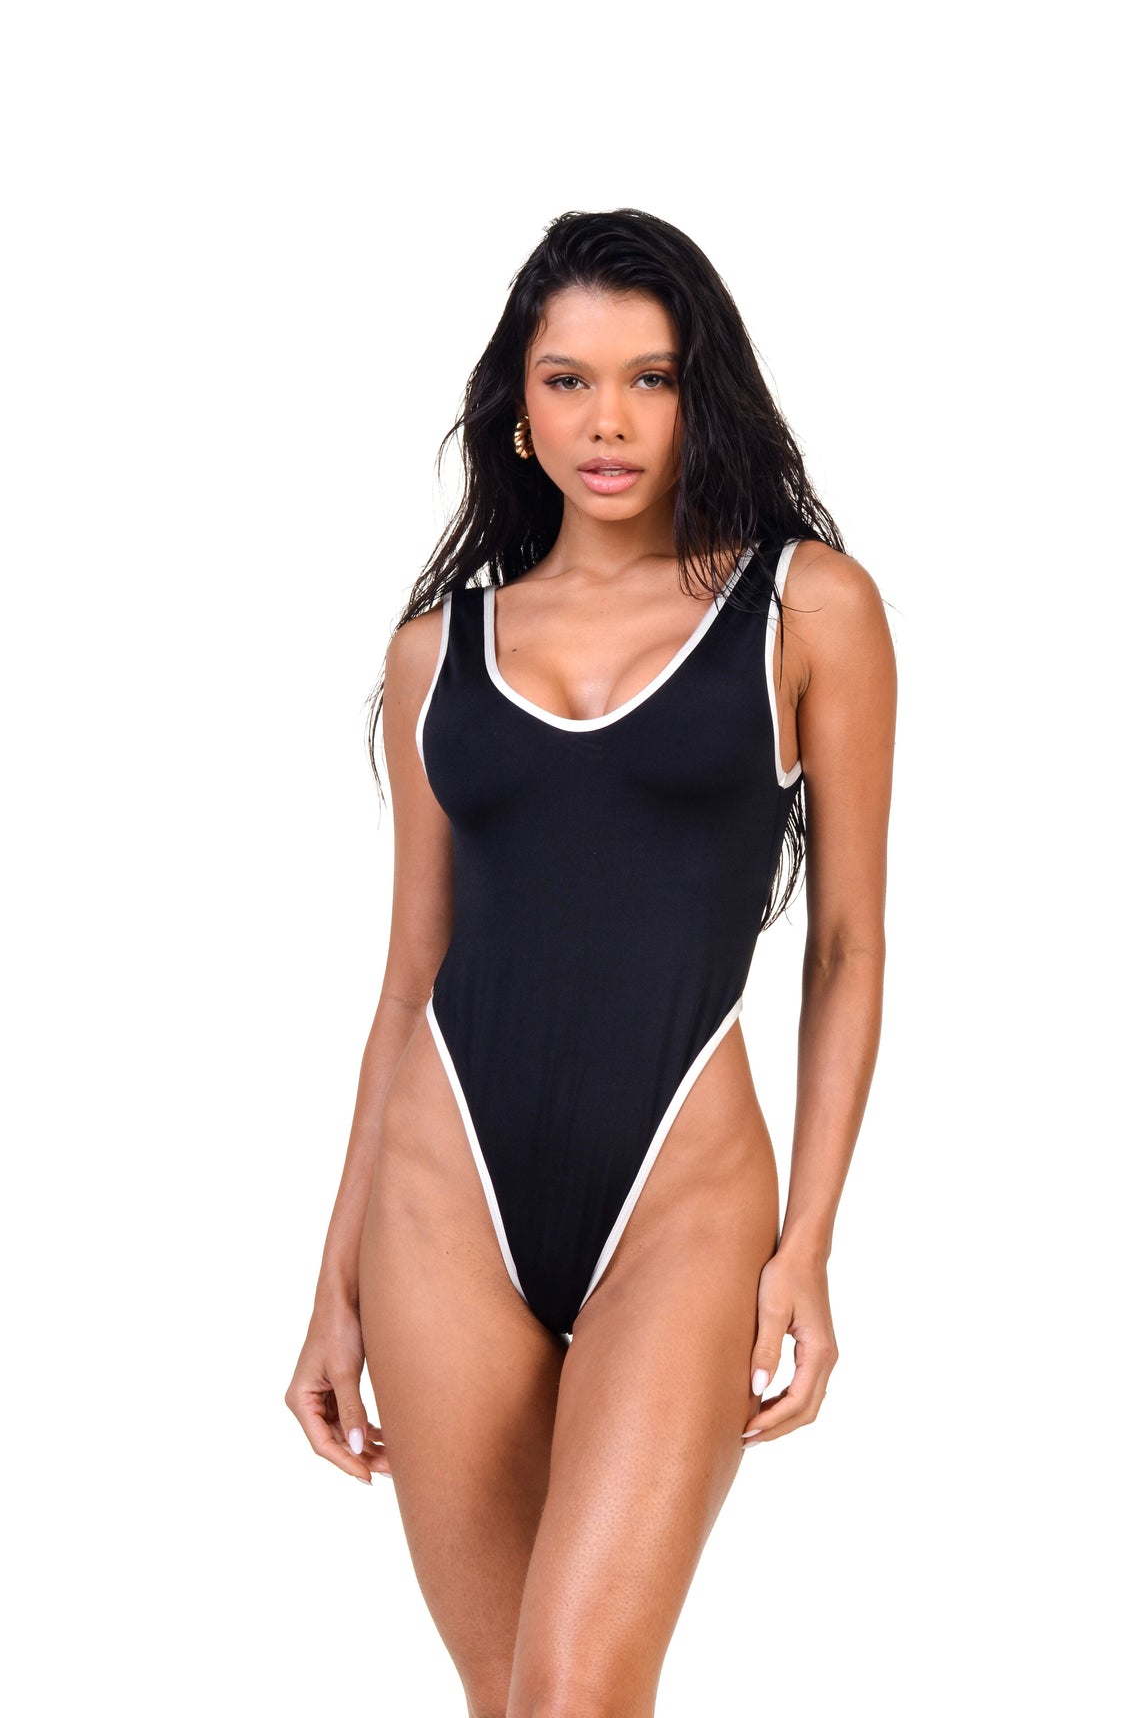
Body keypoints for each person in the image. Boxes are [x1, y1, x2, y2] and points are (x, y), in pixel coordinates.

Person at [285, 207, 896, 1716]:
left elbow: (848, 946)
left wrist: (810, 1242)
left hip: (681, 1196)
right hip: (443, 1195)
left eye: (650, 378)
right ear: (519, 401)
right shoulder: (435, 650)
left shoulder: (807, 606)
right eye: (568, 381)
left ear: (703, 394)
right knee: (514, 1704)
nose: (607, 422)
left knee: (577, 1693)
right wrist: (333, 1285)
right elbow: (409, 972)